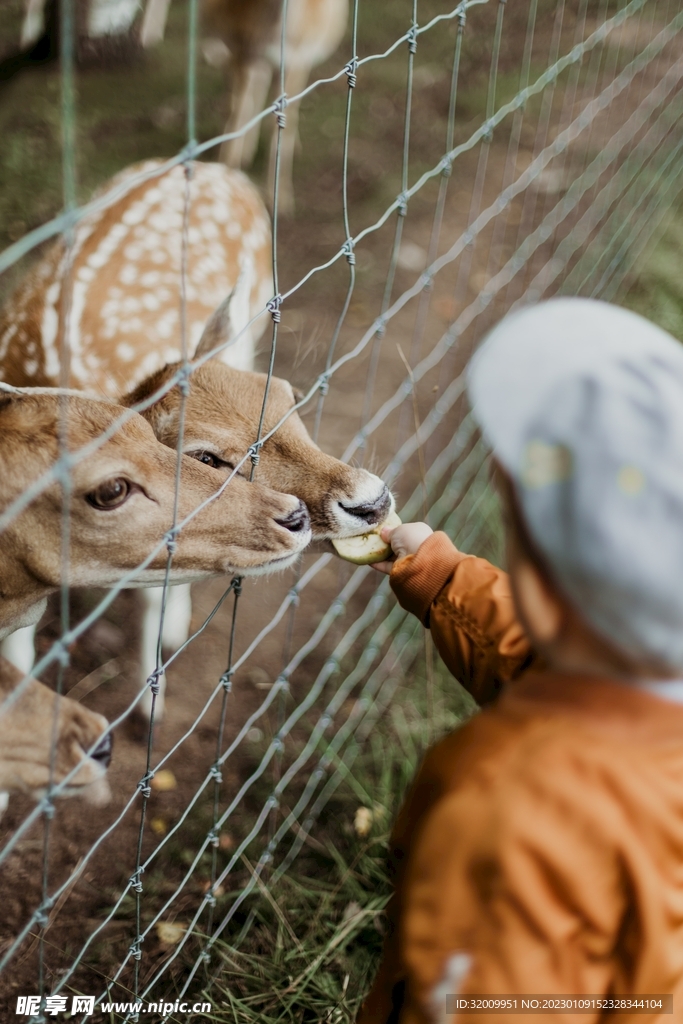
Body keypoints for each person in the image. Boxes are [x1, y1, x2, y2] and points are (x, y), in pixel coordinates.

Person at [358, 298, 683, 1024]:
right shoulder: (651, 696)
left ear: (540, 572)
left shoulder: (511, 810)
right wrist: (441, 579)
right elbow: (549, 667)